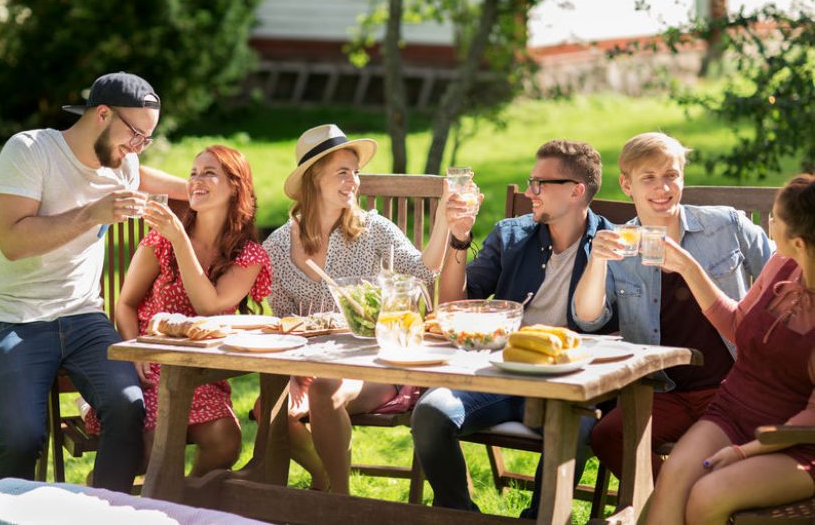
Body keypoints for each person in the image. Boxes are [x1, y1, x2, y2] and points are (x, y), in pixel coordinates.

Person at [0, 72, 185, 493]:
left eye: (146, 140)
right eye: (135, 135)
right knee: (21, 438)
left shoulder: (123, 162)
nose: (136, 148)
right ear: (102, 114)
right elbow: (14, 242)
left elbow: (141, 174)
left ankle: (100, 513)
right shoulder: (30, 151)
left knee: (129, 408)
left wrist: (207, 187)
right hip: (16, 317)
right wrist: (91, 215)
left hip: (83, 317)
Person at [411, 140, 616, 517]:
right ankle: (459, 516)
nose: (528, 192)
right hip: (501, 375)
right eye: (529, 182)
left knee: (581, 430)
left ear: (576, 190)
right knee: (431, 413)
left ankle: (540, 519)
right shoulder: (511, 235)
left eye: (540, 184)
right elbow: (452, 307)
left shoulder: (609, 246)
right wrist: (459, 237)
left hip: (566, 389)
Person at [572, 131, 774, 482]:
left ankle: (677, 504)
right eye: (648, 178)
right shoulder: (620, 244)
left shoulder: (725, 226)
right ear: (626, 184)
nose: (662, 189)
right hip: (664, 389)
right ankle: (672, 505)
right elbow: (587, 319)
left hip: (731, 386)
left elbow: (785, 271)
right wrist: (597, 263)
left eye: (671, 176)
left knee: (702, 455)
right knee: (608, 435)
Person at [263, 123, 451, 494]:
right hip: (307, 368)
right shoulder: (278, 246)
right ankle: (324, 478)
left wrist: (445, 216)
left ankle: (339, 502)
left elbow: (423, 273)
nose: (354, 182)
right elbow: (282, 322)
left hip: (377, 362)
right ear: (313, 180)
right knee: (271, 409)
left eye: (356, 173)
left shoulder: (374, 229)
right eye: (342, 173)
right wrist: (293, 375)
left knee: (325, 390)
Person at [83, 145, 271, 477]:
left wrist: (180, 238)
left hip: (202, 371)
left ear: (235, 187)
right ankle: (100, 497)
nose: (196, 181)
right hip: (151, 370)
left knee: (226, 439)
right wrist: (135, 353)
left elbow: (209, 306)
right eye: (193, 173)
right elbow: (125, 304)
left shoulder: (248, 255)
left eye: (209, 173)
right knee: (152, 451)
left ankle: (181, 505)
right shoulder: (161, 241)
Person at [646, 174, 814, 524]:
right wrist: (688, 267)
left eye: (775, 218)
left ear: (797, 241)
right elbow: (737, 325)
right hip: (733, 411)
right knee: (674, 476)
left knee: (707, 496)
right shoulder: (781, 264)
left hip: (797, 441)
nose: (769, 222)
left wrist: (743, 452)